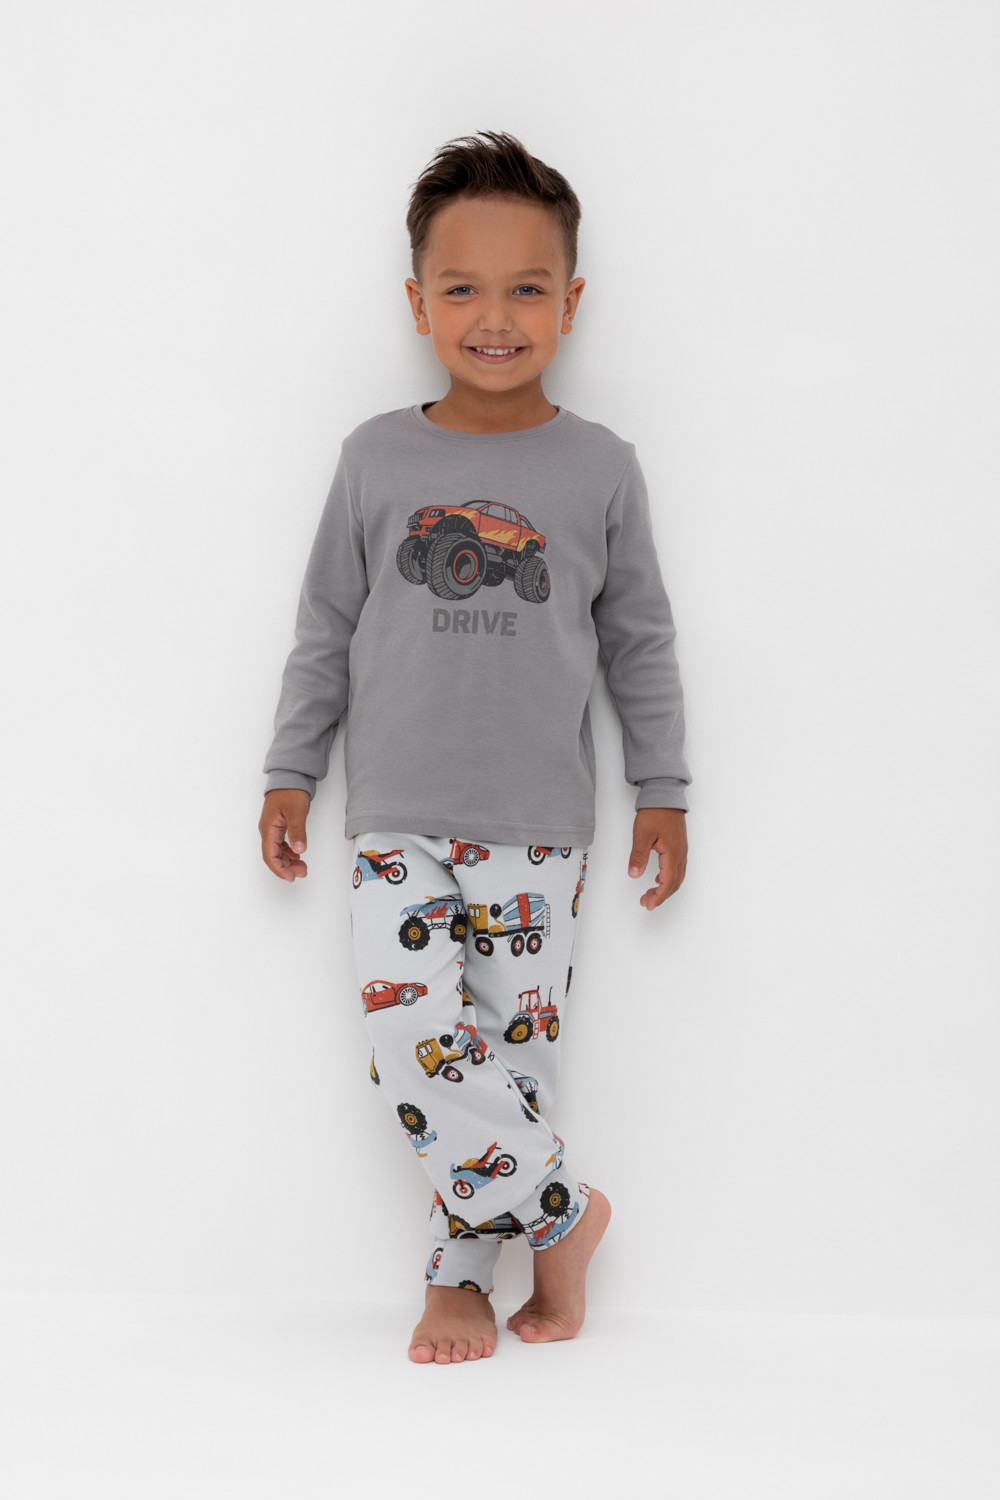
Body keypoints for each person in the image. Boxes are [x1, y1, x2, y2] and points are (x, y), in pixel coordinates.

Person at [258, 130, 691, 1364]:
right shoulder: (377, 459)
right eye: (461, 289)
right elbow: (325, 627)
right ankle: (563, 1215)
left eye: (525, 288)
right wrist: (290, 769)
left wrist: (664, 787)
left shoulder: (599, 469)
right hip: (394, 808)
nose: (493, 317)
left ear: (570, 303)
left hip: (538, 819)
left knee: (509, 1054)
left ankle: (459, 1277)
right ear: (417, 304)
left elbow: (639, 643)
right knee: (414, 1038)